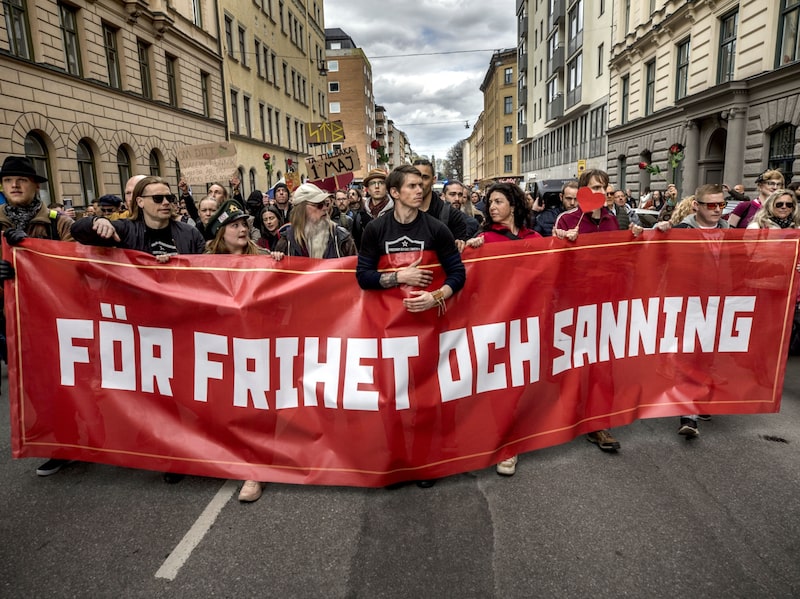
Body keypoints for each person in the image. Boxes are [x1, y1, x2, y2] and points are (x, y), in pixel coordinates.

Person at [356, 164, 466, 489]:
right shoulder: (376, 230)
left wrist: (436, 297)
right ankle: (395, 463)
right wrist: (398, 277)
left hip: (426, 327)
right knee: (391, 398)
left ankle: (424, 463)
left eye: (421, 185)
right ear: (394, 192)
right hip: (389, 331)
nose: (420, 191)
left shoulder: (436, 228)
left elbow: (458, 273)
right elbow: (362, 276)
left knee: (424, 398)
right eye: (412, 186)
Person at [552, 169, 642, 452]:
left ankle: (598, 423)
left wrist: (635, 238)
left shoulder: (612, 219)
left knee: (603, 363)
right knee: (576, 363)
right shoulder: (566, 220)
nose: (599, 192)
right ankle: (564, 414)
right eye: (593, 187)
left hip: (606, 301)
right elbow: (551, 260)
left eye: (603, 187)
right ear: (581, 191)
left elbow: (621, 258)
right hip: (575, 303)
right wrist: (562, 241)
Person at [0, 156, 75, 476]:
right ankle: (58, 444)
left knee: (67, 383)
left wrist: (34, 250)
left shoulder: (59, 223)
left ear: (35, 186)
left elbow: (77, 267)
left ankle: (74, 441)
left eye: (21, 180)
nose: (14, 185)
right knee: (34, 387)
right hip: (10, 320)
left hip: (54, 318)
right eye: (8, 181)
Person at [203, 200, 281, 502]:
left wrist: (278, 263)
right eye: (234, 225)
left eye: (244, 224)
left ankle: (254, 471)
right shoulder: (203, 263)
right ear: (221, 233)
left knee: (256, 404)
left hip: (256, 342)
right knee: (227, 402)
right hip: (219, 344)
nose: (243, 229)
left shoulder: (262, 256)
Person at [463, 182, 540, 477]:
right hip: (493, 323)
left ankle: (511, 440)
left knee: (518, 383)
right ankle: (499, 442)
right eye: (488, 203)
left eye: (497, 201)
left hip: (527, 321)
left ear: (513, 204)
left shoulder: (535, 238)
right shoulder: (484, 239)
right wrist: (468, 250)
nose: (491, 207)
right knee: (497, 382)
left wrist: (562, 239)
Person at [71, 176, 206, 258]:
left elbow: (204, 268)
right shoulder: (126, 229)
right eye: (157, 198)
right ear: (140, 202)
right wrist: (97, 221)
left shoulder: (190, 233)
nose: (165, 203)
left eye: (169, 198)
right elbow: (77, 231)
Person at [274, 183, 356, 258]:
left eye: (326, 204)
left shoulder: (341, 238)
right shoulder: (286, 242)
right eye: (319, 205)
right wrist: (277, 259)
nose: (325, 208)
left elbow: (355, 269)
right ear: (301, 210)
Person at [411, 158, 468, 242]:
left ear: (434, 180)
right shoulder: (399, 214)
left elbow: (459, 251)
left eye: (425, 177)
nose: (420, 182)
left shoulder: (453, 216)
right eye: (416, 177)